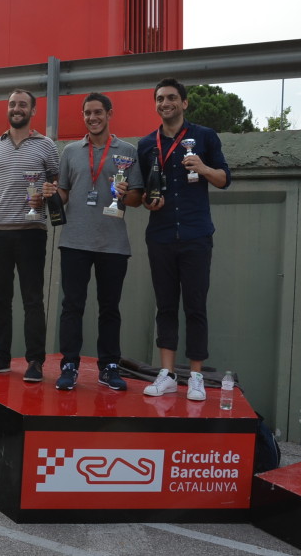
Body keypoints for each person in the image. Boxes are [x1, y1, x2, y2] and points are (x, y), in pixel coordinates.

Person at [136, 78, 230, 400]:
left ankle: (195, 377)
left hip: (196, 234)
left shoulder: (204, 137)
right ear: (156, 104)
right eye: (160, 98)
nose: (166, 103)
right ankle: (166, 374)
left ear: (185, 103)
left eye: (172, 98)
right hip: (160, 235)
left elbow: (224, 179)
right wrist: (150, 202)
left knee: (195, 306)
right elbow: (144, 194)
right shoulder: (147, 144)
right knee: (165, 306)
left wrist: (202, 166)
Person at [42, 93, 143, 391]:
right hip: (74, 241)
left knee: (110, 308)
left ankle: (109, 367)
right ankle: (70, 365)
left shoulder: (128, 151)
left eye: (98, 112)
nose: (92, 117)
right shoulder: (71, 151)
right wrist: (50, 194)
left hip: (113, 244)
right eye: (87, 113)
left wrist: (125, 194)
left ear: (109, 114)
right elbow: (63, 193)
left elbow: (136, 199)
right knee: (72, 306)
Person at [0, 88, 60, 382]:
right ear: (8, 109)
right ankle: (1, 358)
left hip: (32, 231)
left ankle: (35, 362)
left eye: (22, 105)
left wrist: (45, 196)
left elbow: (55, 189)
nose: (16, 108)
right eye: (12, 104)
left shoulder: (47, 146)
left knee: (32, 299)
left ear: (33, 111)